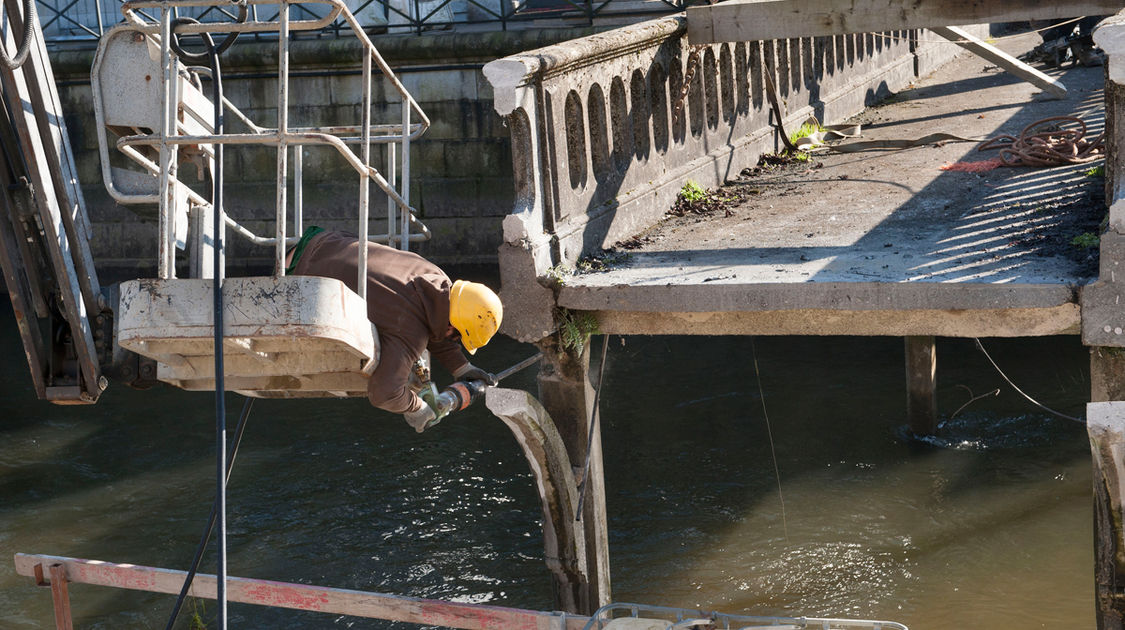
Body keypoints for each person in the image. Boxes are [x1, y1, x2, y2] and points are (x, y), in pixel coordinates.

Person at [286, 227, 503, 432]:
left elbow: (435, 322)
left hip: (317, 241)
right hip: (296, 278)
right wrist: (417, 408)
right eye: (457, 337)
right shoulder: (411, 331)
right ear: (452, 325)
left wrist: (461, 367)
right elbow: (385, 394)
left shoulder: (435, 277)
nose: (453, 340)